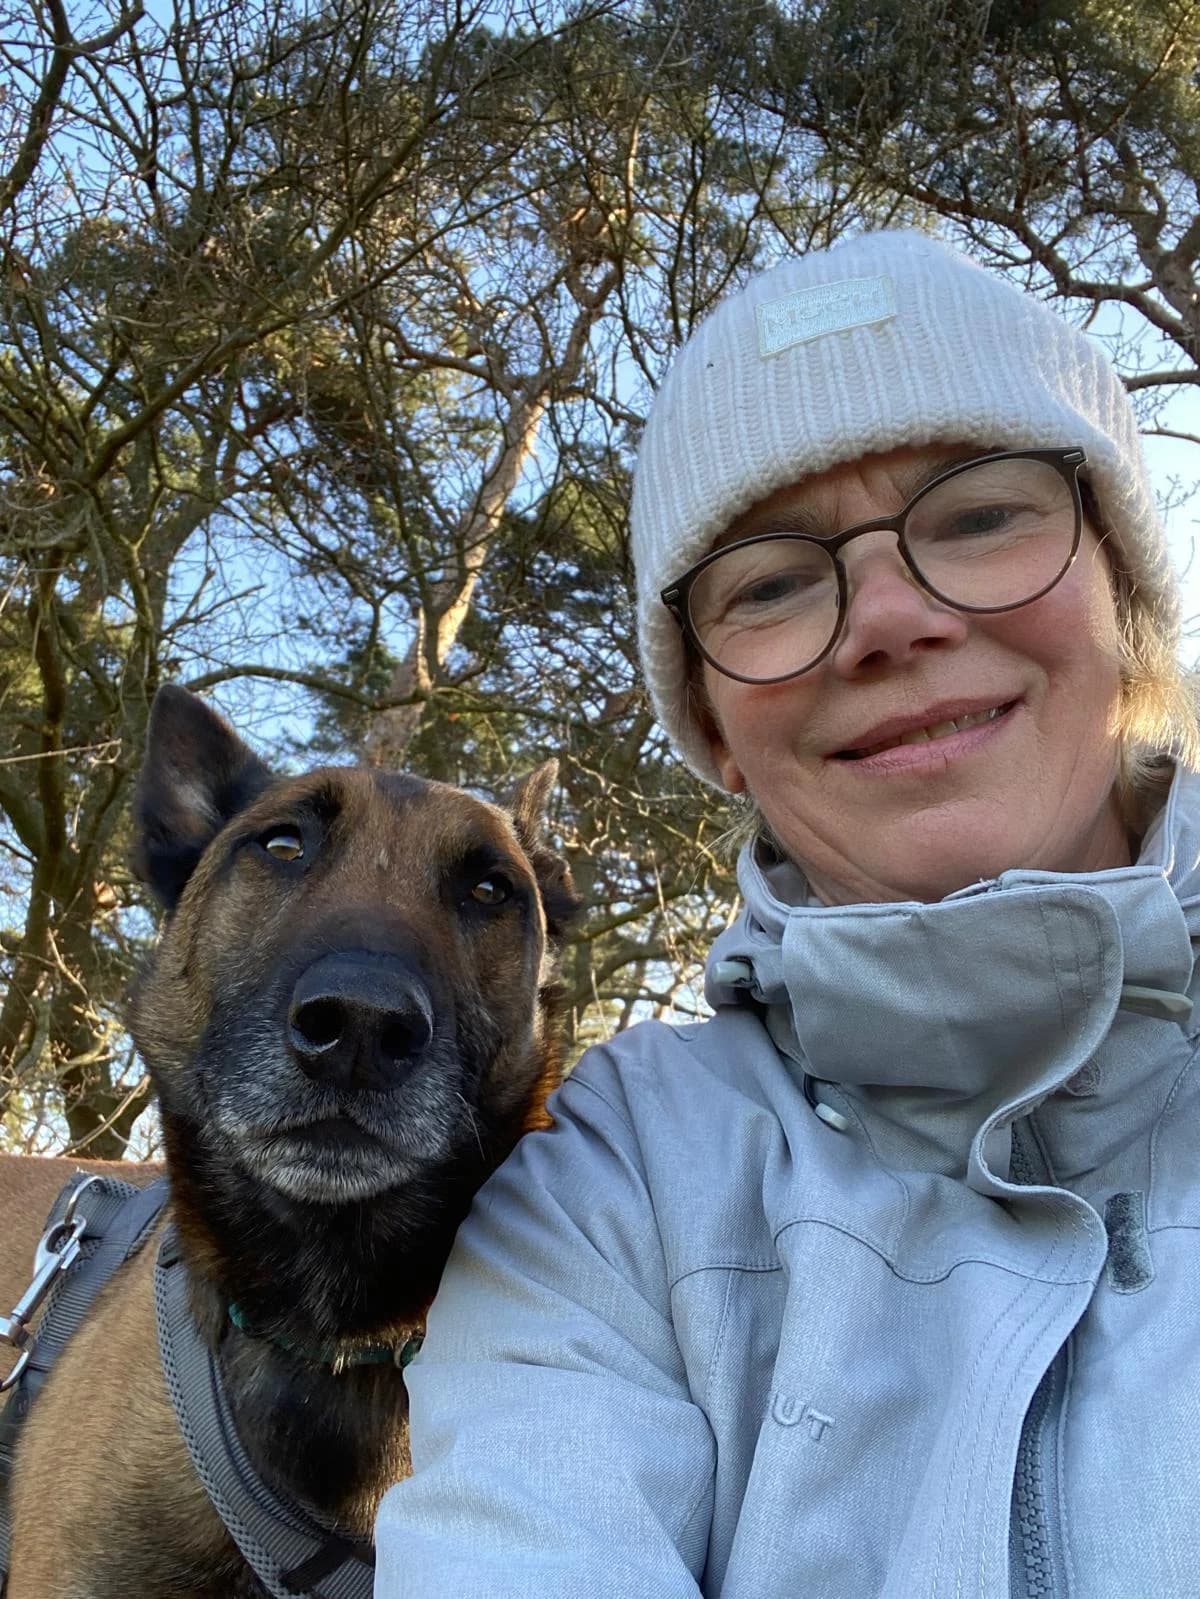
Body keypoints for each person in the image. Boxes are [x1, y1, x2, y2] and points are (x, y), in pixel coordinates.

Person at [374, 231, 1200, 1598]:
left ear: (1124, 590)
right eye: (768, 583)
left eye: (981, 513)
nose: (885, 615)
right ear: (714, 725)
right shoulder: (613, 1178)